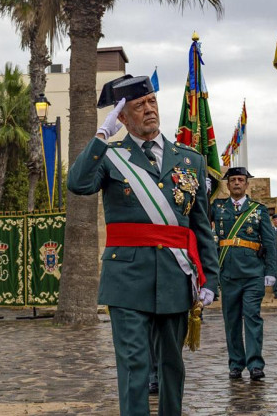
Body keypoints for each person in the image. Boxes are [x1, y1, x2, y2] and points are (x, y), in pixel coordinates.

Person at [66, 75, 219, 416]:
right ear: (122, 116)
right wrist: (101, 137)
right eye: (139, 106)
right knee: (134, 365)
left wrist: (209, 277)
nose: (149, 110)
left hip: (175, 275)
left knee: (171, 365)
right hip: (127, 279)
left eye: (152, 102)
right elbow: (77, 183)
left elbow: (200, 226)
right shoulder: (110, 156)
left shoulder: (189, 160)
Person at [210, 167, 277, 380]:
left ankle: (255, 364)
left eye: (240, 179)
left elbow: (269, 242)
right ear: (228, 184)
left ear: (247, 184)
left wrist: (271, 271)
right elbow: (199, 217)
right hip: (228, 273)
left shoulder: (258, 210)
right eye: (233, 180)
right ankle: (236, 363)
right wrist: (204, 188)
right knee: (231, 321)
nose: (237, 183)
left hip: (253, 273)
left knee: (252, 317)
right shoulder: (218, 207)